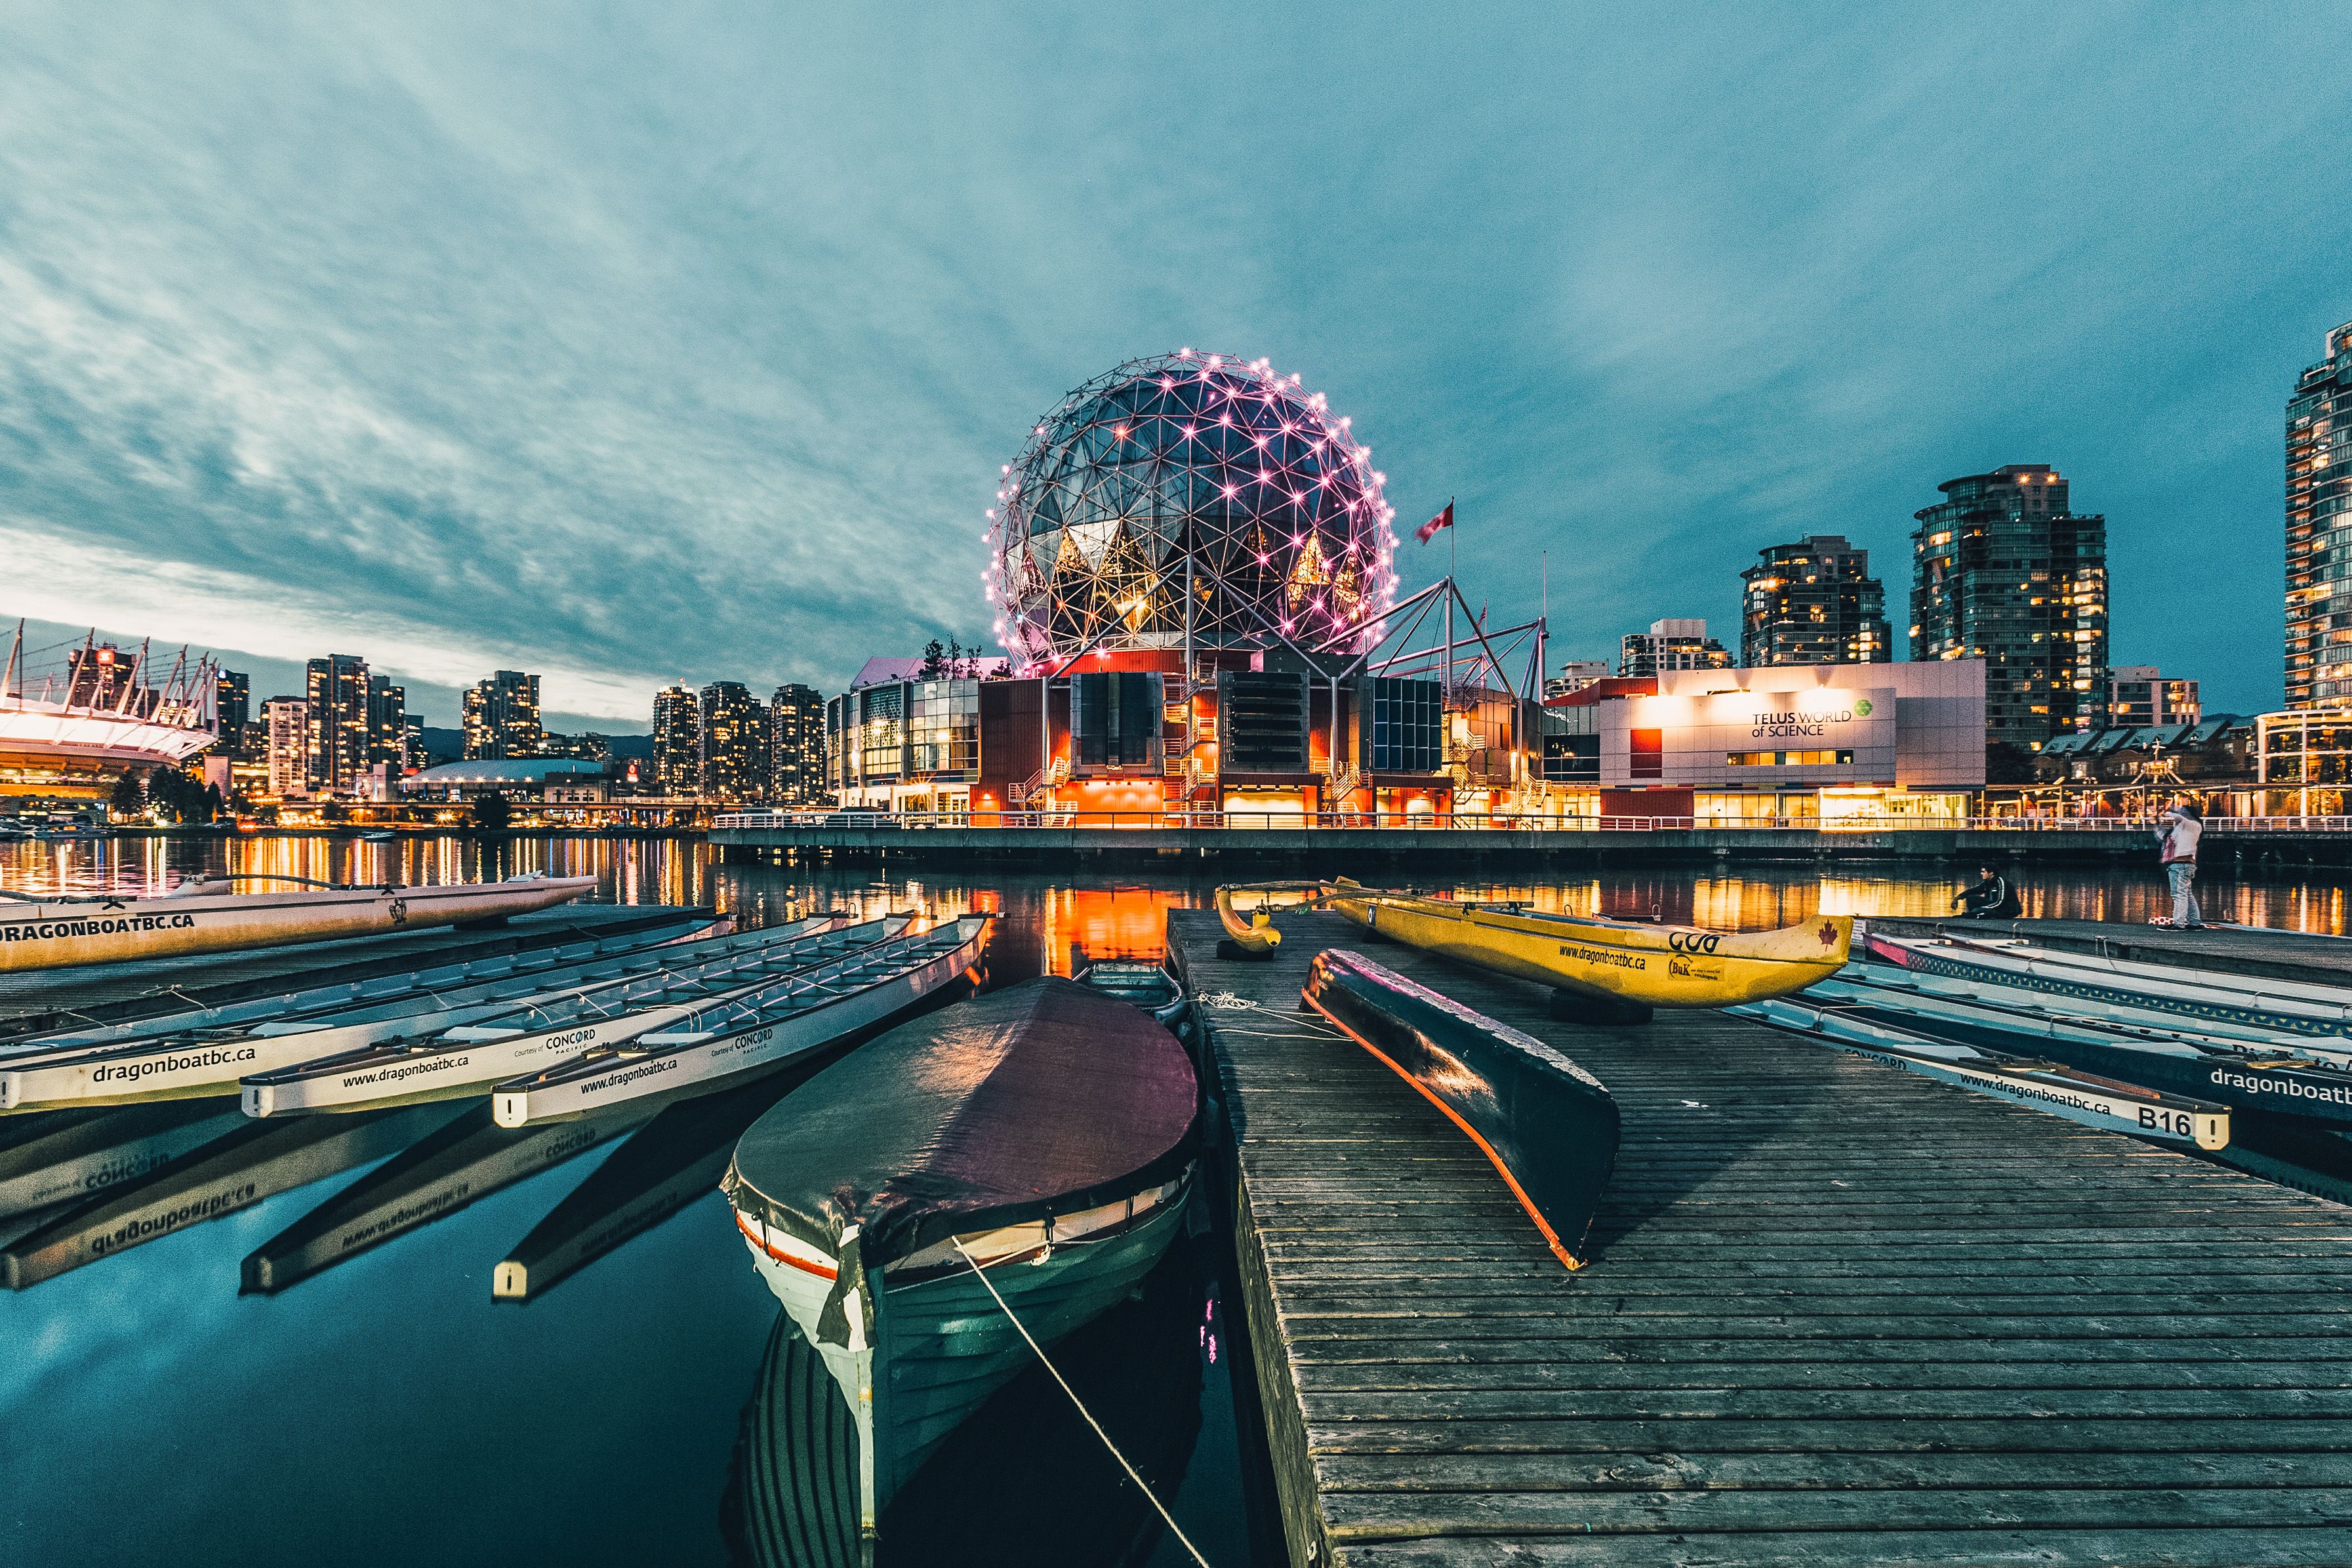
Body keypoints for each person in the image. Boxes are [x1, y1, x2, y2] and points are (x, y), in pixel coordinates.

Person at [2158, 799, 2205, 929]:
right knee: (2187, 894)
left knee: (2178, 895)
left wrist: (2165, 811)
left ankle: (2179, 923)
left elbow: (2177, 816)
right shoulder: (2184, 828)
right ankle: (2195, 922)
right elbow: (2164, 836)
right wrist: (2157, 825)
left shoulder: (2191, 824)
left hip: (2180, 864)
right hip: (2185, 864)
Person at [1951, 863, 2021, 920]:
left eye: (1983, 872)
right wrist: (1957, 899)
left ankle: (1975, 914)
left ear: (1991, 873)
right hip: (1994, 906)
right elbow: (1974, 890)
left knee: (1983, 911)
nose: (1981, 874)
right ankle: (1973, 915)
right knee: (1971, 898)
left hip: (2006, 910)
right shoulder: (1988, 882)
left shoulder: (2001, 882)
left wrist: (1980, 909)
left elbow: (1999, 902)